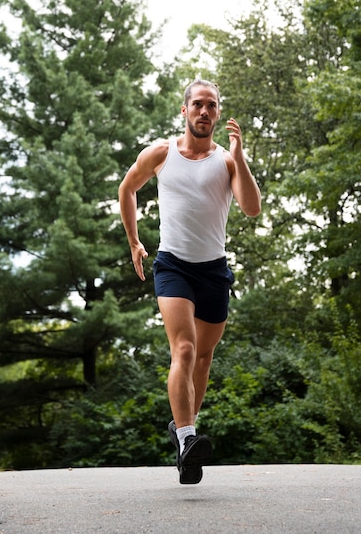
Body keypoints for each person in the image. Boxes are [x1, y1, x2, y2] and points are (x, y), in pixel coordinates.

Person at [118, 79, 261, 484]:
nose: (204, 111)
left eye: (211, 106)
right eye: (197, 104)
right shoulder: (161, 154)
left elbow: (251, 208)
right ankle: (187, 435)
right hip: (173, 265)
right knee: (184, 347)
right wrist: (134, 241)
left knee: (203, 358)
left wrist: (240, 156)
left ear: (218, 113)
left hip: (214, 270)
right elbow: (127, 188)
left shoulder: (227, 162)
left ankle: (184, 438)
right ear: (184, 110)